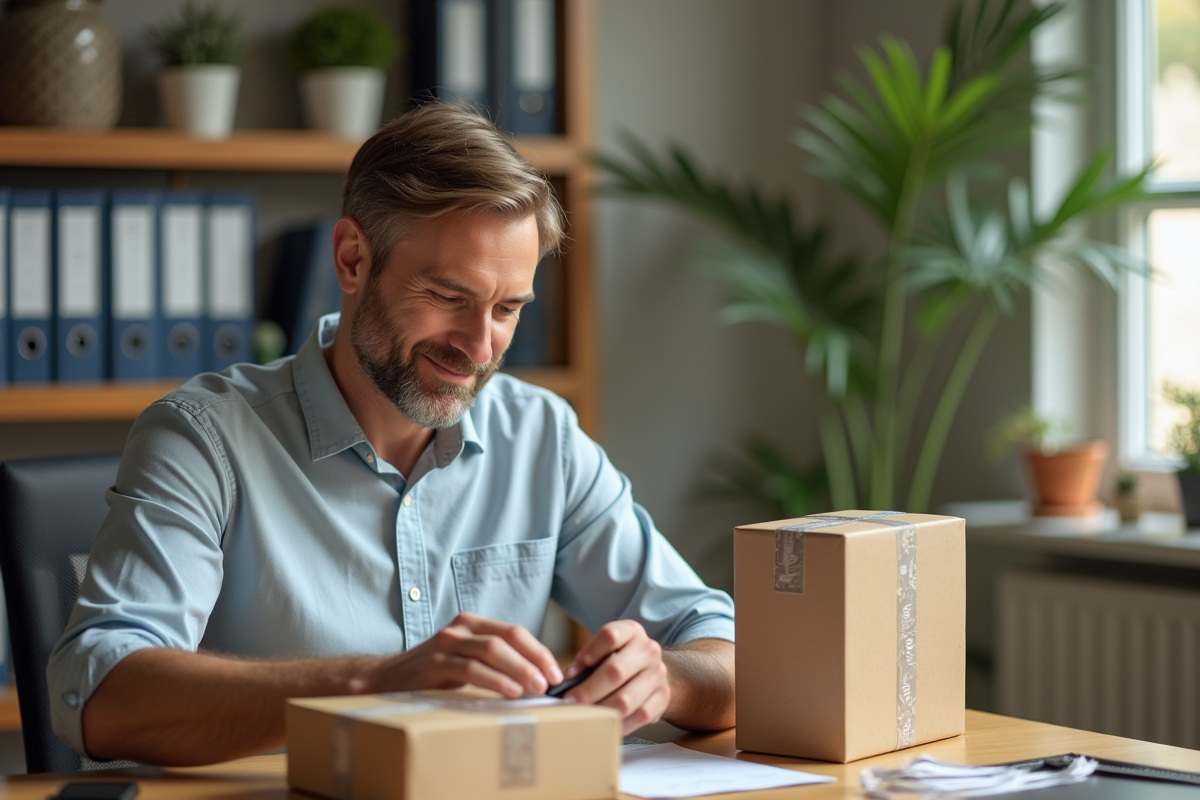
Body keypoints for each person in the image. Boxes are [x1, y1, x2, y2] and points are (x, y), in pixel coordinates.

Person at [47, 103, 736, 767]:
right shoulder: (203, 439)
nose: (478, 345)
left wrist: (665, 678)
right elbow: (101, 696)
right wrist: (377, 685)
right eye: (448, 297)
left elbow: (727, 651)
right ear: (352, 259)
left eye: (507, 309)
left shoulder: (542, 438)